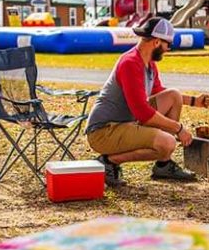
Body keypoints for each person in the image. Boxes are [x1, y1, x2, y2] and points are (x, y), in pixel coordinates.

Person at [86, 17, 202, 186]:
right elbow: (143, 113)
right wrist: (179, 129)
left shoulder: (148, 63)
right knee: (168, 142)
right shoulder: (130, 63)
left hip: (124, 125)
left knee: (173, 95)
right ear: (156, 42)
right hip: (104, 132)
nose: (169, 49)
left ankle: (163, 165)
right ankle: (109, 161)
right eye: (168, 44)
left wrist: (194, 101)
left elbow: (160, 92)